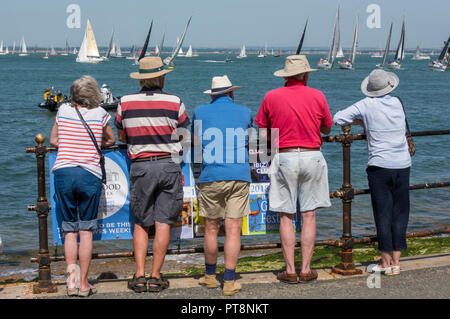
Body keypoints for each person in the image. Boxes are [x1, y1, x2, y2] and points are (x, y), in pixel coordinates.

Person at [255, 55, 332, 284]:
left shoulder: (271, 96)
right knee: (309, 215)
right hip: (312, 155)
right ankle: (306, 269)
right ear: (306, 74)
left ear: (286, 76)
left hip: (285, 155)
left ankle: (290, 270)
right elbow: (327, 128)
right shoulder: (317, 95)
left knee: (286, 215)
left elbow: (261, 134)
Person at [115, 57, 190, 293]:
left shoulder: (124, 102)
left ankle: (139, 274)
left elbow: (122, 137)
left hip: (141, 166)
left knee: (141, 222)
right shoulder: (174, 101)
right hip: (168, 164)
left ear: (141, 79)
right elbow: (182, 136)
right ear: (161, 77)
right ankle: (156, 276)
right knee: (163, 222)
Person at [333, 69, 411, 276]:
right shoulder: (398, 102)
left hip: (380, 166)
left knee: (383, 213)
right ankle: (396, 260)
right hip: (403, 164)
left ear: (370, 89)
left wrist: (361, 121)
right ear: (389, 85)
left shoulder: (366, 104)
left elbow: (338, 118)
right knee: (400, 212)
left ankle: (385, 263)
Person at [49, 75, 115, 296]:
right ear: (94, 93)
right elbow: (111, 140)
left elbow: (53, 141)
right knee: (86, 231)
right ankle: (84, 284)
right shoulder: (101, 114)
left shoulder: (63, 111)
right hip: (89, 174)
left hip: (63, 172)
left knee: (69, 231)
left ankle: (71, 283)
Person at [191, 75, 252, 296]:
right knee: (234, 228)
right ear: (232, 93)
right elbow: (255, 143)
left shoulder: (199, 112)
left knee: (211, 227)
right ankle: (228, 281)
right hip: (238, 174)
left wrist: (197, 174)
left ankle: (209, 277)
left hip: (211, 174)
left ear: (213, 95)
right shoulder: (245, 112)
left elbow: (195, 147)